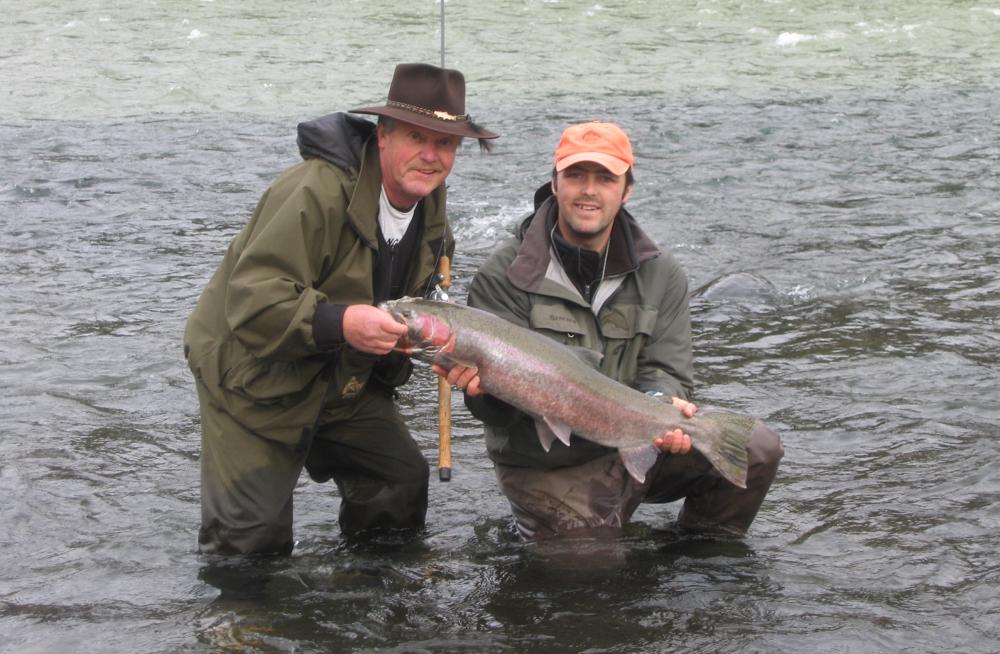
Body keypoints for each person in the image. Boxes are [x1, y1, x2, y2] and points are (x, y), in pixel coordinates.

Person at [184, 63, 497, 555]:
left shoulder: (434, 215)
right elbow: (253, 298)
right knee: (250, 545)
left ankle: (372, 598)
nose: (431, 156)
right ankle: (237, 628)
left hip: (341, 382)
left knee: (399, 481)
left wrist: (435, 355)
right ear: (383, 136)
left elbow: (409, 318)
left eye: (446, 144)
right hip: (251, 380)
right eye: (417, 137)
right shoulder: (314, 190)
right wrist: (344, 321)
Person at [463, 121, 783, 541]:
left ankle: (699, 555)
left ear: (626, 189)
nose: (589, 191)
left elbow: (667, 368)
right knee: (588, 580)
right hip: (551, 463)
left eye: (605, 178)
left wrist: (660, 407)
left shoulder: (661, 273)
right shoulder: (504, 275)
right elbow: (494, 416)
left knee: (753, 446)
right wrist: (483, 391)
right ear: (555, 184)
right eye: (576, 175)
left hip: (635, 431)